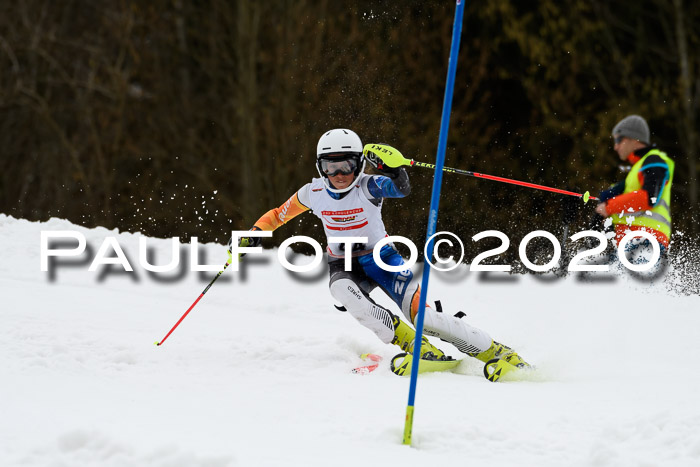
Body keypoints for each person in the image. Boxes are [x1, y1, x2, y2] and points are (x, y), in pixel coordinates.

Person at [230, 129, 529, 381]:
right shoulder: (313, 192)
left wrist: (392, 170)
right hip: (343, 263)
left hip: (383, 259)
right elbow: (277, 215)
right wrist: (254, 233)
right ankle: (416, 346)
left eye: (346, 165)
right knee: (344, 293)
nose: (339, 175)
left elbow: (401, 189)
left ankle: (498, 352)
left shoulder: (369, 185)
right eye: (330, 166)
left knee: (425, 318)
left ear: (358, 163)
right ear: (320, 166)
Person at [595, 115, 674, 251]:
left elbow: (650, 197)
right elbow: (626, 197)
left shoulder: (654, 160)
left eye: (619, 140)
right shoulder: (638, 168)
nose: (616, 146)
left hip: (645, 240)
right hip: (631, 242)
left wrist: (609, 206)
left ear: (635, 139)